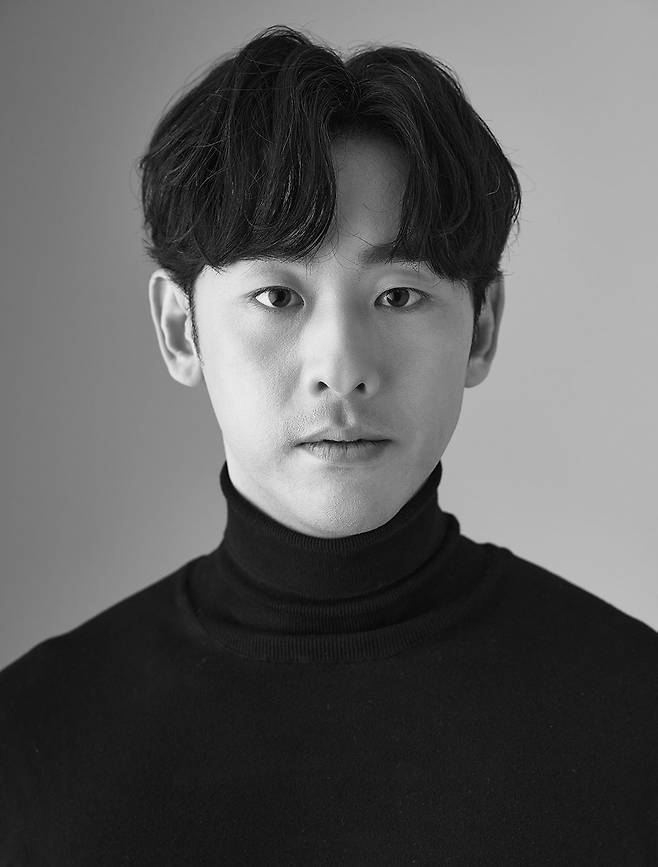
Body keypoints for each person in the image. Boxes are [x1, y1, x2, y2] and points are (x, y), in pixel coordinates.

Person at [1, 24, 656, 865]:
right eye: (278, 295)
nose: (341, 369)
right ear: (180, 329)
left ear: (483, 326)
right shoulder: (31, 740)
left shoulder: (635, 712)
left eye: (399, 295)